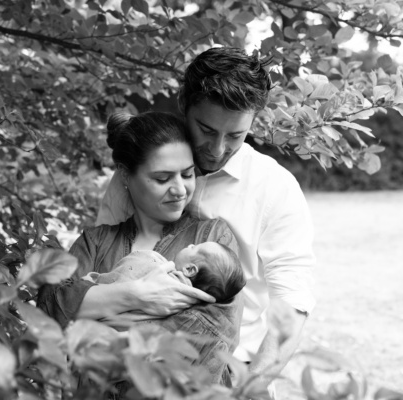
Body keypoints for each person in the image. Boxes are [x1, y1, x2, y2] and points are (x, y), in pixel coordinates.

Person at [96, 47, 316, 391]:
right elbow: (103, 259)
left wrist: (251, 389)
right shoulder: (136, 173)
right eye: (206, 129)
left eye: (235, 136)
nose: (216, 149)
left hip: (229, 374)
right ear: (184, 103)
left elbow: (293, 301)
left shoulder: (275, 188)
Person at [38, 111, 243, 385]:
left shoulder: (211, 237)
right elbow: (51, 307)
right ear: (125, 175)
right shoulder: (96, 241)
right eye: (162, 179)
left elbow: (216, 333)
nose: (180, 190)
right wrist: (138, 294)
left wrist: (95, 307)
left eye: (187, 174)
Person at [82, 242, 245, 306]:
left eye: (195, 248)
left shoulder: (155, 266)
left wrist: (93, 281)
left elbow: (129, 269)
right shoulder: (187, 306)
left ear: (189, 270)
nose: (191, 244)